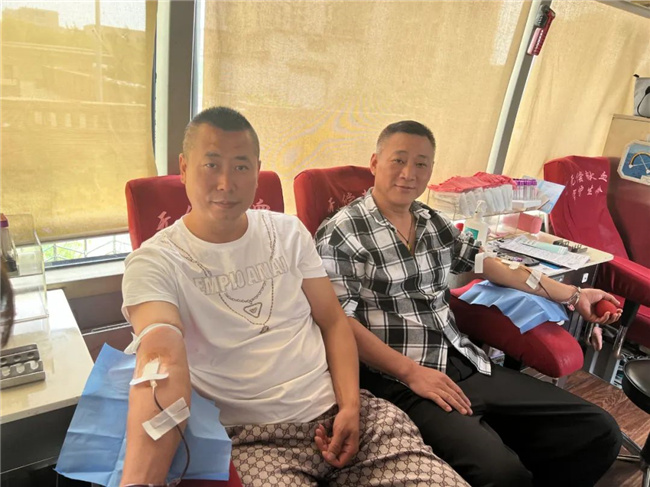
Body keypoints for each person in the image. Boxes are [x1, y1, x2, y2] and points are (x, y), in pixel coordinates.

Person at [119, 107, 469, 487]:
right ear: (185, 168)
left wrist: (350, 407)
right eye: (211, 165)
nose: (225, 183)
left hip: (346, 413)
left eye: (240, 166)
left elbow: (333, 321)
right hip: (255, 441)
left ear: (257, 170)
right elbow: (160, 357)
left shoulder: (288, 233)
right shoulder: (155, 261)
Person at [315, 120, 623, 487]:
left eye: (421, 164)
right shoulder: (343, 232)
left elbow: (488, 263)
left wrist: (572, 294)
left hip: (465, 360)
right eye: (398, 160)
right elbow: (338, 323)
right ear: (375, 162)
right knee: (501, 474)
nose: (409, 173)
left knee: (598, 431)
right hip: (398, 378)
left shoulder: (432, 222)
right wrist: (411, 373)